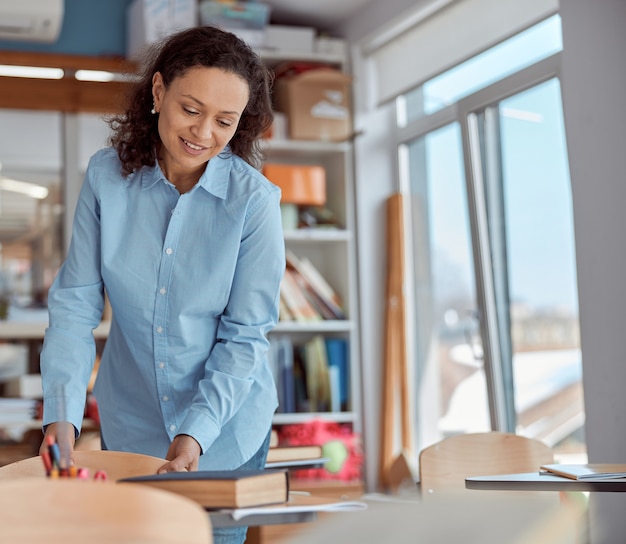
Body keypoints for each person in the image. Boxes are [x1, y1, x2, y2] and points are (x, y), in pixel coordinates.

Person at [39, 26, 285, 544]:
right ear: (157, 93)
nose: (203, 133)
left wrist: (195, 433)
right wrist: (61, 416)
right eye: (190, 109)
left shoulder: (254, 203)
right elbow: (75, 305)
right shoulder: (107, 178)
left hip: (222, 428)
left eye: (225, 120)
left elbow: (244, 337)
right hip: (132, 422)